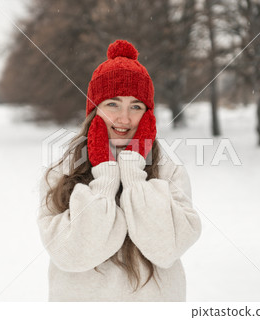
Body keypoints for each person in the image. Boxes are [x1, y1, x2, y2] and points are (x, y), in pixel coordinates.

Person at [37, 39, 202, 302]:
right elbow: (73, 254)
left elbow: (167, 249)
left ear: (148, 115)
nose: (124, 118)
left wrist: (134, 173)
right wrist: (105, 174)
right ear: (94, 109)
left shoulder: (169, 171)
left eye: (136, 106)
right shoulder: (61, 174)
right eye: (112, 104)